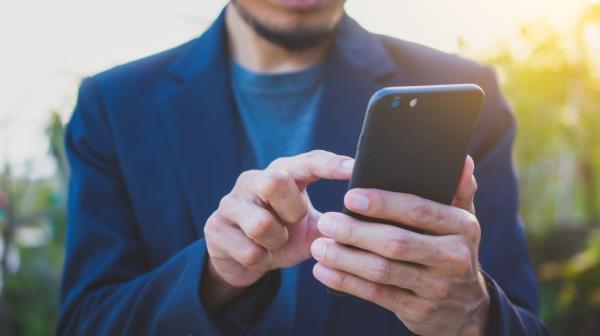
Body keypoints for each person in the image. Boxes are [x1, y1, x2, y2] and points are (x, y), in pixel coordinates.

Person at [57, 0, 549, 335]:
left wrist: (471, 315)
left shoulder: (462, 90)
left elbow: (523, 320)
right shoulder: (114, 106)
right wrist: (215, 276)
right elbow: (86, 322)